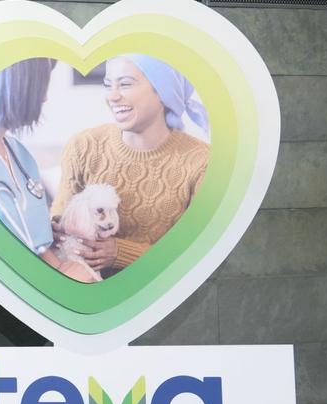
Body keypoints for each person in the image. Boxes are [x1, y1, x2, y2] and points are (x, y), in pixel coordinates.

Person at [50, 54, 210, 276]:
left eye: (124, 84)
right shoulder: (83, 146)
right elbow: (59, 214)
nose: (112, 96)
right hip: (82, 290)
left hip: (162, 293)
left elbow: (197, 252)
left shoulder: (200, 160)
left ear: (163, 93)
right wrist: (55, 228)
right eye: (108, 85)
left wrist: (121, 253)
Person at [0, 58, 95, 282]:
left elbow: (38, 246)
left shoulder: (20, 155)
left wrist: (68, 274)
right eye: (40, 87)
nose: (44, 97)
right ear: (15, 88)